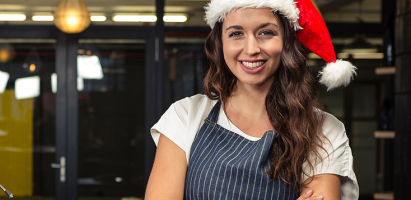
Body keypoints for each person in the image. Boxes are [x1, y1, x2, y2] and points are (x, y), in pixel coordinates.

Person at [145, 0, 358, 199]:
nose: (251, 49)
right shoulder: (185, 116)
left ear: (287, 40)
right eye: (236, 33)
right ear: (220, 43)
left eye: (266, 32)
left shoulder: (323, 130)